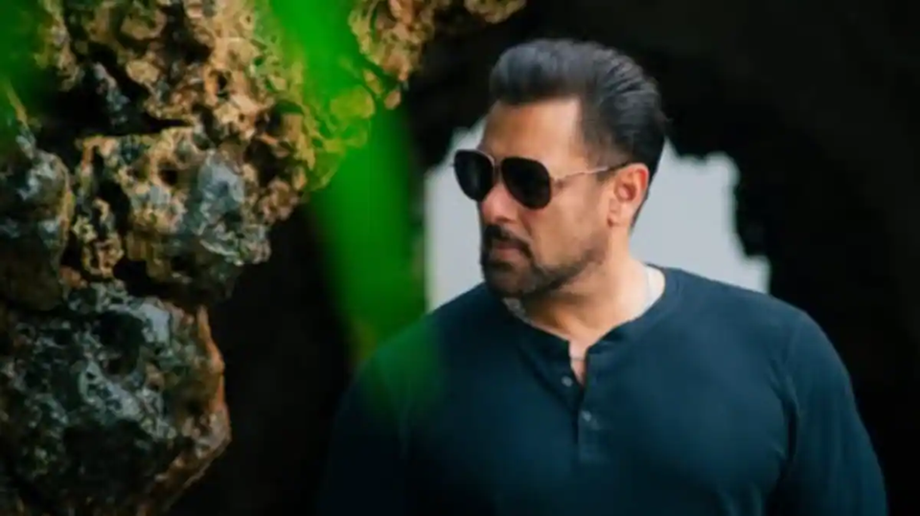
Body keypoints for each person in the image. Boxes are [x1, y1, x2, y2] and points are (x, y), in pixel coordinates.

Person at [316, 38, 887, 516]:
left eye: (527, 181)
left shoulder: (782, 354)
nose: (492, 207)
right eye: (478, 173)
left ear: (624, 192)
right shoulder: (401, 384)